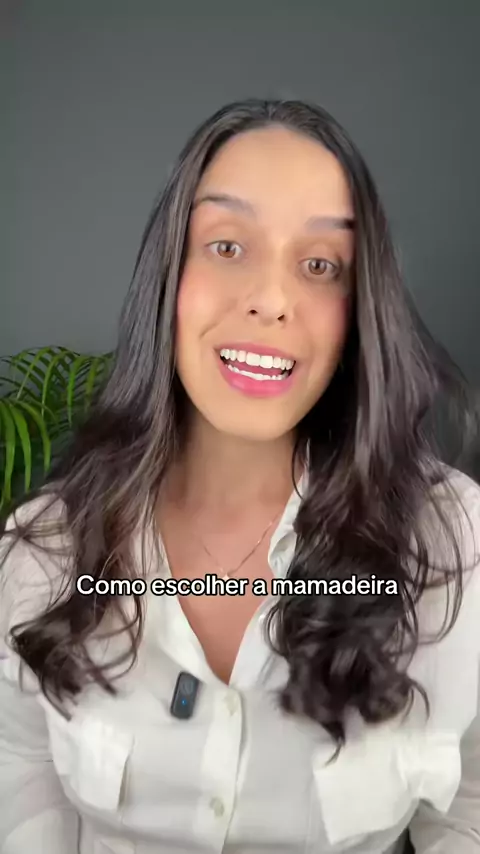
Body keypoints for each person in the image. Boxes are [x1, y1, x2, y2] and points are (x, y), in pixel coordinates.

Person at [1, 98, 479, 854]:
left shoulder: (455, 543)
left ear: (358, 313)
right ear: (169, 277)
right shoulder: (43, 551)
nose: (272, 300)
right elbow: (21, 789)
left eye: (320, 265)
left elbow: (467, 812)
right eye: (227, 246)